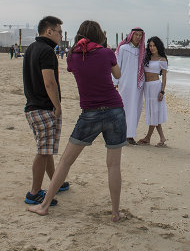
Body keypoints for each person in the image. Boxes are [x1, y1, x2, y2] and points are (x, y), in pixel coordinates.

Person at [28, 20, 127, 222]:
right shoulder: (107, 52)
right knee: (113, 165)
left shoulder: (73, 56)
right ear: (99, 35)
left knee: (65, 161)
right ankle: (116, 213)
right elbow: (118, 74)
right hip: (115, 110)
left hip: (89, 113)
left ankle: (44, 205)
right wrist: (106, 53)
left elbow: (75, 69)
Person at [23, 16, 68, 207]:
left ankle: (56, 182)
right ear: (49, 31)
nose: (61, 35)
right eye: (59, 31)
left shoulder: (32, 48)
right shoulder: (47, 51)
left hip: (32, 105)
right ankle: (34, 193)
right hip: (43, 107)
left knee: (46, 148)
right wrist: (57, 106)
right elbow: (49, 82)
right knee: (43, 151)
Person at [113, 28, 145, 145]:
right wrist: (115, 82)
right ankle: (121, 134)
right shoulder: (123, 48)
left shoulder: (142, 51)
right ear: (131, 35)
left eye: (140, 35)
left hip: (137, 86)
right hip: (124, 84)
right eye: (136, 34)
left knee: (136, 109)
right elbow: (117, 66)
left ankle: (130, 135)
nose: (138, 37)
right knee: (124, 109)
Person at [137, 36, 168, 147]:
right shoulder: (146, 58)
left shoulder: (162, 60)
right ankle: (162, 138)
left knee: (154, 112)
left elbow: (164, 77)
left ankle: (148, 138)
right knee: (153, 112)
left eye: (154, 45)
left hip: (156, 87)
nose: (152, 48)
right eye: (150, 46)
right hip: (147, 87)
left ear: (158, 46)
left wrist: (162, 92)